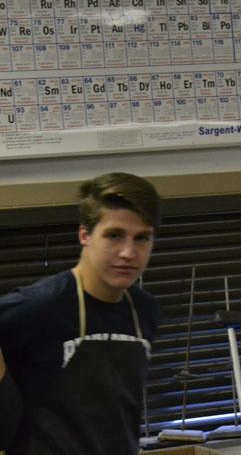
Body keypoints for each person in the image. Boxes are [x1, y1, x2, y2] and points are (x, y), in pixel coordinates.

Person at [0, 172, 163, 455]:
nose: (128, 252)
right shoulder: (37, 309)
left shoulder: (145, 311)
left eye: (141, 238)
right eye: (114, 235)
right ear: (84, 235)